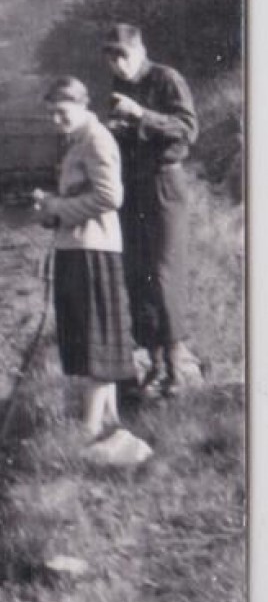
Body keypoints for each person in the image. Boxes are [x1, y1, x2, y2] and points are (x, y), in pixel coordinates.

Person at [32, 77, 140, 448]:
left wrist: (59, 208)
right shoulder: (77, 140)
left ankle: (90, 429)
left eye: (61, 112)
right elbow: (83, 194)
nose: (55, 120)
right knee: (89, 337)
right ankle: (108, 419)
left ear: (83, 105)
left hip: (93, 250)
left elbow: (111, 197)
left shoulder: (96, 139)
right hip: (78, 247)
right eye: (51, 114)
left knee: (97, 339)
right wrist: (50, 207)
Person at [102, 23, 200, 397]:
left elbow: (188, 130)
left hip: (163, 185)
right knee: (137, 274)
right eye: (109, 56)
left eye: (121, 54)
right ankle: (154, 361)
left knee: (162, 273)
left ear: (140, 50)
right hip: (132, 188)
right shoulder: (118, 88)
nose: (116, 63)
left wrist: (141, 114)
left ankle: (177, 362)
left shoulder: (166, 79)